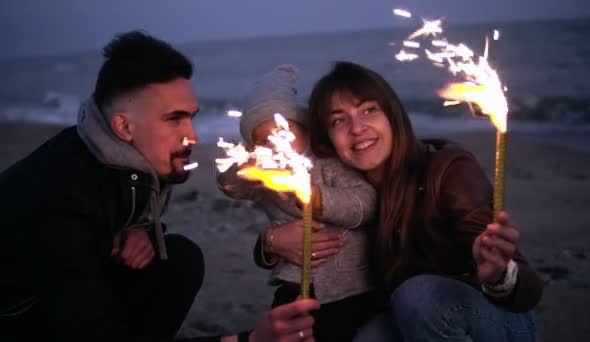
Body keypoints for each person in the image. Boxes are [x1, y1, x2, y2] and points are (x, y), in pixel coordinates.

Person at [0, 31, 318, 342]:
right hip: (20, 321)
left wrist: (140, 230)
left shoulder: (115, 157)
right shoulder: (57, 203)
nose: (192, 136)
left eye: (192, 117)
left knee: (178, 259)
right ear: (124, 126)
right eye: (174, 119)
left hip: (65, 293)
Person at [260, 61, 544, 341]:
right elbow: (291, 224)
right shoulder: (341, 192)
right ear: (328, 140)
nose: (357, 128)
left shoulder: (447, 170)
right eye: (339, 120)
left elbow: (528, 291)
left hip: (491, 315)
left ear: (392, 116)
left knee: (417, 295)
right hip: (412, 316)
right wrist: (269, 242)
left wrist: (498, 276)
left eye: (369, 110)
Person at [217, 65, 377, 342]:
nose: (277, 145)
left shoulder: (329, 166)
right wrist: (247, 165)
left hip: (347, 286)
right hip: (293, 279)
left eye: (283, 133)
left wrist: (317, 197)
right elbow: (230, 186)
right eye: (265, 140)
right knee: (285, 328)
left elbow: (364, 204)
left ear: (304, 130)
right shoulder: (266, 178)